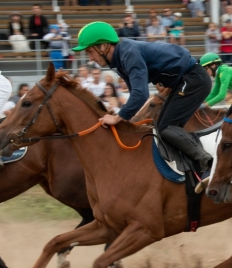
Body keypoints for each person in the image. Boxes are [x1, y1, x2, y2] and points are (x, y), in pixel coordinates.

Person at [71, 21, 212, 170]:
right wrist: (128, 119)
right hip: (185, 80)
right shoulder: (120, 62)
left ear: (104, 46)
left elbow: (140, 94)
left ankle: (206, 162)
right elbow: (136, 95)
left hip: (193, 79)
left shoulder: (128, 53)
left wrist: (118, 117)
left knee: (166, 128)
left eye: (89, 52)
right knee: (160, 127)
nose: (90, 58)